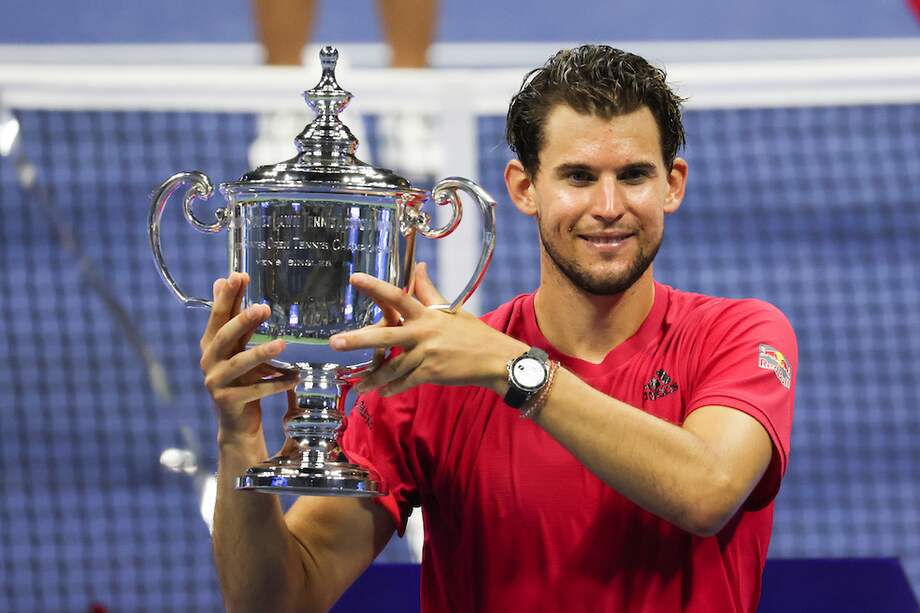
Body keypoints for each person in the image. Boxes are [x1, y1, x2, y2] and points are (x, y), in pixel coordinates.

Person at [199, 45, 797, 612]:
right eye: (579, 177)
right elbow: (275, 602)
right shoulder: (435, 378)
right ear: (524, 188)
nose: (610, 205)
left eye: (635, 175)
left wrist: (512, 370)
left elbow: (707, 490)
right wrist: (237, 437)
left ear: (673, 185)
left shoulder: (739, 335)